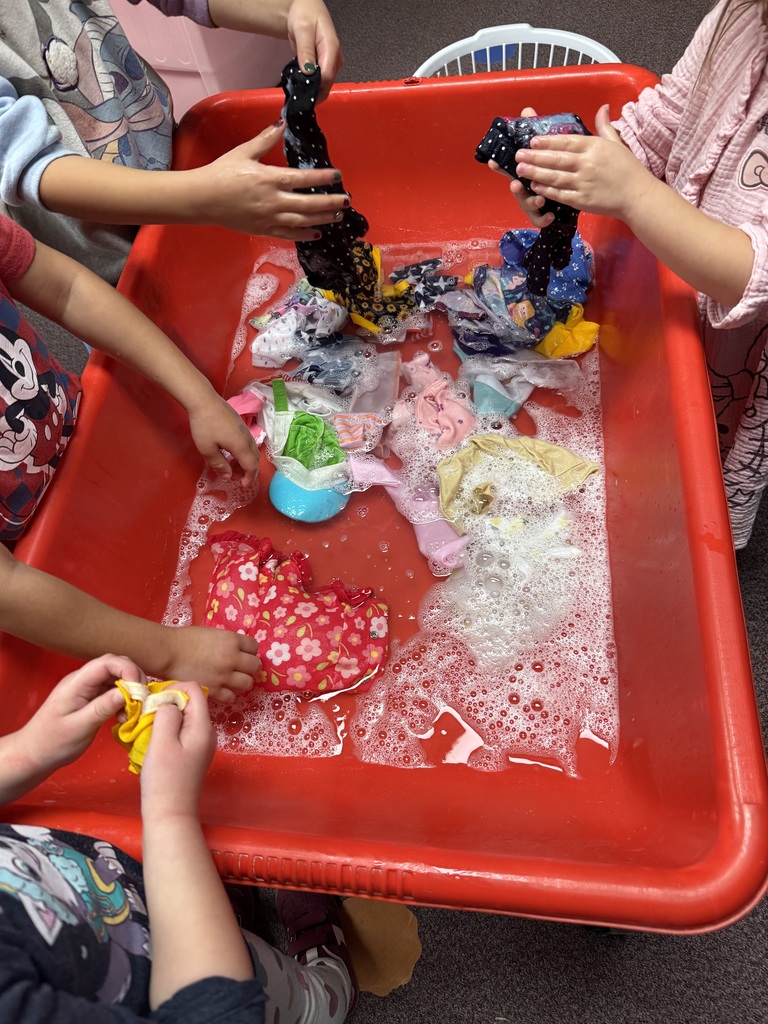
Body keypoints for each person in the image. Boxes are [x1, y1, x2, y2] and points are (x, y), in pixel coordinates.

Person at [493, 0, 768, 548]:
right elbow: (659, 124)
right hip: (680, 290)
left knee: (711, 460)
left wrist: (636, 195)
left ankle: (708, 541)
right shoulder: (740, 16)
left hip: (748, 351)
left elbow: (751, 277)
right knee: (670, 421)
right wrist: (568, 167)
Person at [0, 653, 358, 1023]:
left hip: (140, 904)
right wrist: (170, 812)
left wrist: (29, 750)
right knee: (292, 997)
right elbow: (214, 1012)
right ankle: (329, 988)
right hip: (199, 982)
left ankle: (225, 914)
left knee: (222, 924)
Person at [0, 211, 264, 701]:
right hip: (22, 557)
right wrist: (165, 650)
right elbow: (6, 590)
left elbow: (66, 290)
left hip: (70, 427)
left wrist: (199, 397)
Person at [0, 0, 348, 287]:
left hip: (177, 163)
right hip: (105, 258)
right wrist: (204, 196)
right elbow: (28, 163)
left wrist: (290, 10)